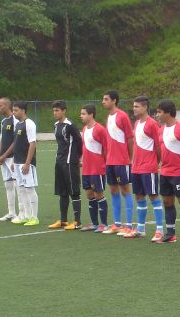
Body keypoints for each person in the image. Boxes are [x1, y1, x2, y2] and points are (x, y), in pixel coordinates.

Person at [123, 96, 164, 240]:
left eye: (137, 106)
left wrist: (157, 163)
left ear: (145, 107)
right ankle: (140, 228)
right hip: (137, 168)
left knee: (153, 197)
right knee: (139, 196)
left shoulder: (152, 124)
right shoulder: (136, 123)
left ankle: (160, 230)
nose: (134, 109)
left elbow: (159, 147)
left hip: (149, 167)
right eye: (134, 106)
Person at [155, 100, 180, 245]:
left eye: (159, 112)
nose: (157, 115)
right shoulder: (160, 129)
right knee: (167, 202)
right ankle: (170, 233)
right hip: (165, 172)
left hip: (178, 172)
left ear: (168, 113)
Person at [101, 90, 135, 234]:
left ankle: (128, 225)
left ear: (114, 100)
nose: (103, 101)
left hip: (122, 161)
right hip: (110, 161)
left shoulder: (123, 116)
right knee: (113, 190)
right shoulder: (108, 117)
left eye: (106, 99)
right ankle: (117, 224)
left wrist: (130, 159)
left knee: (125, 190)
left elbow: (130, 138)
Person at [49, 100, 82, 230]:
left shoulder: (70, 125)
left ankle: (77, 222)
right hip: (60, 161)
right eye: (54, 111)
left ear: (64, 111)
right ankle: (63, 220)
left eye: (57, 110)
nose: (55, 113)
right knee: (62, 192)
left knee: (74, 192)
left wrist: (78, 157)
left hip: (70, 162)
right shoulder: (56, 125)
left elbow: (79, 142)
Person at [79, 103, 109, 232]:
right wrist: (81, 159)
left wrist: (105, 164)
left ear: (91, 115)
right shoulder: (85, 129)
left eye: (83, 114)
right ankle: (94, 223)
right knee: (89, 194)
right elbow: (84, 147)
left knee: (98, 194)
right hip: (86, 168)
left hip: (97, 168)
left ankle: (104, 224)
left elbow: (107, 148)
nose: (81, 116)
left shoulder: (100, 129)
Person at [10, 101, 40, 226]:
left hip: (26, 163)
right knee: (21, 189)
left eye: (16, 110)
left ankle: (34, 217)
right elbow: (17, 144)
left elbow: (32, 143)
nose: (14, 112)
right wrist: (13, 161)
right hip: (17, 162)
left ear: (23, 110)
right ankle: (25, 216)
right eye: (13, 110)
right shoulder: (17, 125)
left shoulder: (29, 124)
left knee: (29, 188)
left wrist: (27, 163)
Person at [0, 97, 19, 222]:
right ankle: (11, 212)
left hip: (12, 158)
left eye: (0, 105)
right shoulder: (4, 121)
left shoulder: (15, 119)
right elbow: (3, 139)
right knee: (8, 185)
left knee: (17, 184)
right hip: (4, 159)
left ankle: (22, 213)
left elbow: (16, 140)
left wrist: (5, 156)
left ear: (7, 106)